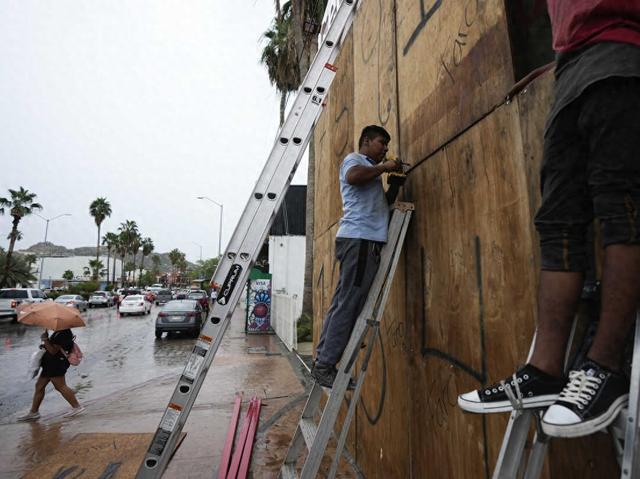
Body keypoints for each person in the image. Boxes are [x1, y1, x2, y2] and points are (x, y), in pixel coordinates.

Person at [458, 1, 640, 438]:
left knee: (624, 212)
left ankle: (606, 366)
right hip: (568, 69)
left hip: (621, 53)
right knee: (557, 223)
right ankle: (545, 370)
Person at [311, 125, 403, 388]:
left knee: (342, 301)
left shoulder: (369, 172)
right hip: (361, 241)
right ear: (366, 141)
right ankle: (327, 365)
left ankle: (322, 361)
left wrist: (394, 187)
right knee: (349, 304)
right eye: (381, 142)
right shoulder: (355, 160)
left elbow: (380, 208)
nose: (385, 148)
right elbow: (352, 177)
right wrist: (385, 168)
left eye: (387, 144)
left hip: (360, 240)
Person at [18, 329, 84, 421]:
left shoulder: (63, 333)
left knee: (60, 386)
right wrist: (45, 344)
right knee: (39, 386)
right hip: (49, 364)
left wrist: (45, 339)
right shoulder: (59, 331)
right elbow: (53, 347)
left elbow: (53, 351)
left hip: (56, 363)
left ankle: (77, 407)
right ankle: (34, 412)